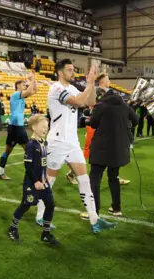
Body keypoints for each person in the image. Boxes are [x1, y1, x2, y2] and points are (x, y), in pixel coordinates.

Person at [34, 59, 115, 233]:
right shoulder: (56, 89)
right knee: (49, 181)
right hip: (57, 142)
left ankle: (95, 220)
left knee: (84, 181)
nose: (73, 73)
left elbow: (91, 101)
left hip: (72, 142)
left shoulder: (72, 89)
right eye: (70, 70)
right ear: (60, 72)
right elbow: (79, 102)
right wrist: (87, 87)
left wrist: (91, 84)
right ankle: (40, 215)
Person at [7, 114, 58, 245]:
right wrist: (36, 181)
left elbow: (43, 162)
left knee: (50, 204)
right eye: (43, 127)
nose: (46, 129)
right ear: (34, 127)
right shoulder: (31, 144)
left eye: (47, 127)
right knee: (25, 205)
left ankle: (46, 234)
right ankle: (12, 229)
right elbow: (28, 165)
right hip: (32, 182)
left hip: (43, 182)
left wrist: (45, 175)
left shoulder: (44, 143)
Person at [88, 85, 138, 217]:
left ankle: (94, 212)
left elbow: (93, 123)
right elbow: (136, 120)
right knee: (113, 178)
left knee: (94, 178)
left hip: (101, 148)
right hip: (118, 149)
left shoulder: (101, 105)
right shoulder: (124, 105)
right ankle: (116, 208)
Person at [0, 72, 37, 180]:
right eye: (23, 84)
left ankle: (1, 172)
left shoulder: (21, 96)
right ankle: (32, 174)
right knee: (28, 150)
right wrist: (32, 79)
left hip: (15, 126)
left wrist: (33, 81)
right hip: (17, 127)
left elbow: (34, 91)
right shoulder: (15, 94)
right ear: (17, 86)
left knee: (11, 151)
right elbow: (30, 90)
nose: (25, 85)